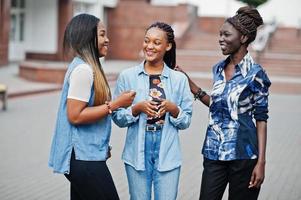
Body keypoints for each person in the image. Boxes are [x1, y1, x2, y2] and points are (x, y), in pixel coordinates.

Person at [176, 6, 271, 200]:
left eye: (226, 34)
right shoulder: (218, 69)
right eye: (220, 34)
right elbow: (220, 106)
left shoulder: (256, 74)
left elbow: (261, 119)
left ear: (243, 38)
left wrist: (261, 162)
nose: (220, 39)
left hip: (244, 156)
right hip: (213, 152)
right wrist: (190, 84)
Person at [48, 13, 136, 200]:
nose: (107, 39)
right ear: (88, 37)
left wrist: (100, 145)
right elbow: (75, 115)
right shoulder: (84, 70)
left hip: (86, 155)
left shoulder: (87, 67)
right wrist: (116, 104)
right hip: (82, 158)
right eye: (102, 34)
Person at [112, 22, 193, 200]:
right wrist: (135, 109)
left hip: (167, 151)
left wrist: (173, 109)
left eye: (157, 42)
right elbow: (117, 117)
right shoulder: (127, 76)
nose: (149, 46)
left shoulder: (179, 80)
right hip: (137, 153)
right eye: (147, 41)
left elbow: (186, 120)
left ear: (168, 46)